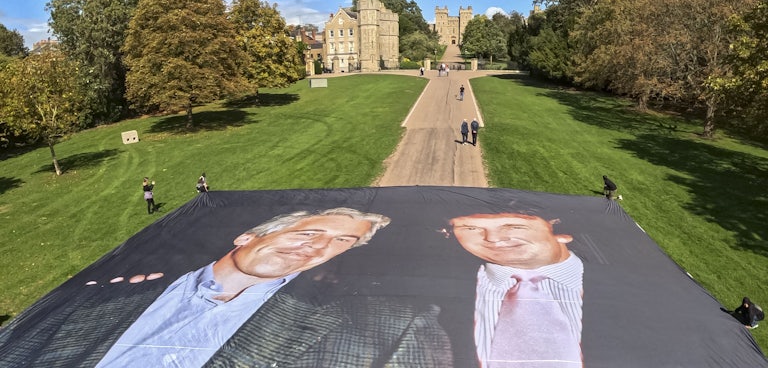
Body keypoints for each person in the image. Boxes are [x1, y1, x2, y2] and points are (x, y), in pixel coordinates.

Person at [91, 207, 451, 367]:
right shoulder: (111, 295)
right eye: (308, 232)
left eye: (341, 242)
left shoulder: (381, 325)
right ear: (247, 236)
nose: (316, 246)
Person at [447, 210, 584, 368]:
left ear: (562, 232)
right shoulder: (441, 286)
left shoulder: (613, 293)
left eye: (514, 226)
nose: (493, 238)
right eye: (471, 228)